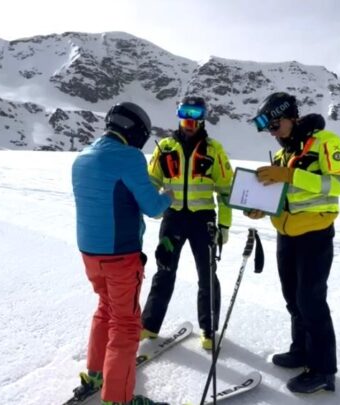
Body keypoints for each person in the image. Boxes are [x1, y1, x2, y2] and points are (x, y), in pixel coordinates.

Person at [246, 92, 340, 394]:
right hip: (286, 235)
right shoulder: (282, 155)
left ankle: (322, 370)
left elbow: (338, 184)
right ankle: (301, 350)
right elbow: (282, 196)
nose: (272, 134)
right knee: (293, 298)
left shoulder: (325, 143)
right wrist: (260, 207)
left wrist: (290, 175)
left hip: (315, 234)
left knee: (311, 301)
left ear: (290, 117)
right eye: (269, 129)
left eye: (275, 126)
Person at [71, 102, 173, 405]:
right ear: (137, 131)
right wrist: (168, 195)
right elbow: (153, 208)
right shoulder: (129, 157)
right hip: (120, 256)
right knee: (126, 325)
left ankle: (96, 374)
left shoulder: (82, 156)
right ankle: (118, 399)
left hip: (90, 255)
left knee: (105, 309)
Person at [140, 96, 234, 350]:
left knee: (207, 274)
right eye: (185, 115)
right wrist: (150, 206)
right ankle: (149, 325)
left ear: (203, 118)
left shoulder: (214, 150)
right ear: (179, 116)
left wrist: (224, 225)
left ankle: (208, 328)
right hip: (173, 219)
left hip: (203, 220)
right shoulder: (166, 148)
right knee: (164, 271)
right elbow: (152, 182)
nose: (190, 121)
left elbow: (226, 190)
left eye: (195, 115)